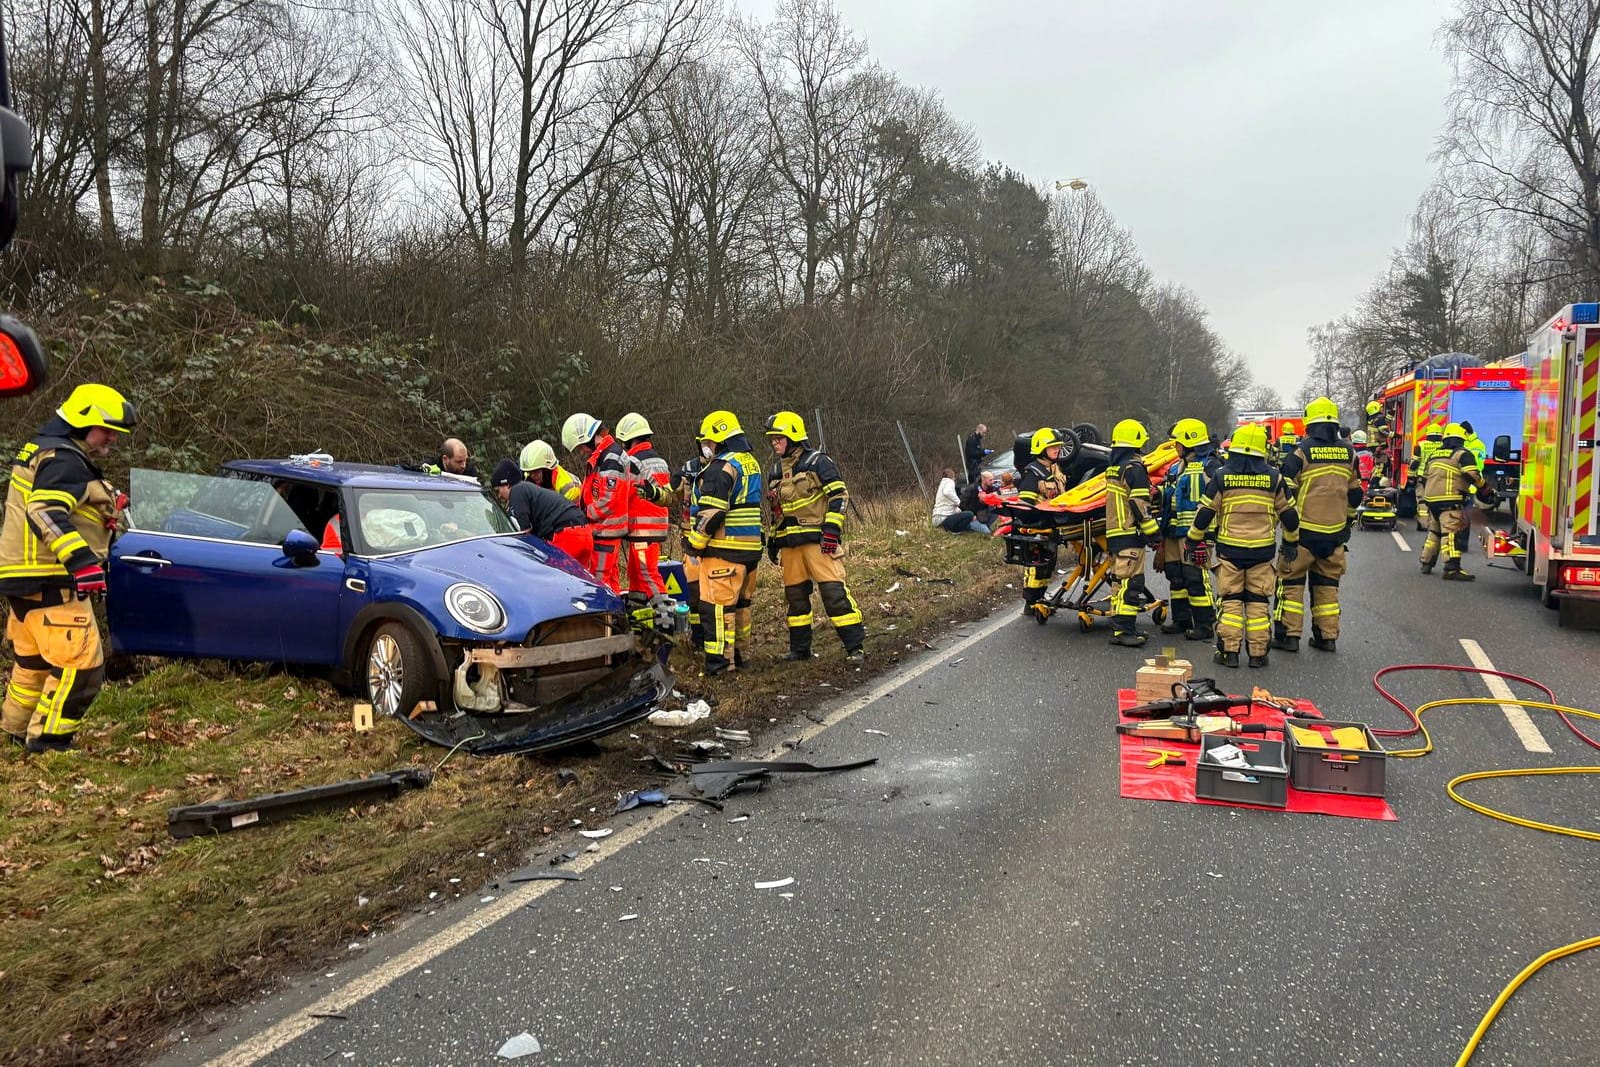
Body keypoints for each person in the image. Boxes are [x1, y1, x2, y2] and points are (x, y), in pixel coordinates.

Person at [1, 384, 135, 752]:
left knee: (34, 666)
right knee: (82, 666)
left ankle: (15, 734)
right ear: (80, 422)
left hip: (22, 577)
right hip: (52, 578)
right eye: (107, 430)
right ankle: (49, 742)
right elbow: (44, 511)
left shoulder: (45, 450)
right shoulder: (64, 459)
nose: (113, 439)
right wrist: (82, 561)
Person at [1184, 423, 1299, 669]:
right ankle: (1258, 655)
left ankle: (1230, 652)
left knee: (1231, 600)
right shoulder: (1274, 478)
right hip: (1262, 552)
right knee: (1258, 602)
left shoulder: (1222, 476)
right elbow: (1290, 517)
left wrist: (1193, 540)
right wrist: (1290, 544)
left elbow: (1205, 512)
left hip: (1229, 551)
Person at [764, 411, 865, 664]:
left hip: (819, 543)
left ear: (793, 436)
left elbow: (839, 496)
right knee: (795, 600)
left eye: (779, 438)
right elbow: (777, 511)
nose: (775, 443)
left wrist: (831, 531)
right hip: (790, 546)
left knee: (833, 594)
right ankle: (800, 650)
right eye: (772, 439)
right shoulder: (775, 470)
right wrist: (773, 540)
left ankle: (855, 646)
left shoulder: (818, 462)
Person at [1272, 398, 1362, 653]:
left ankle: (1289, 637)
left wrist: (1285, 530)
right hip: (1334, 536)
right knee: (1327, 588)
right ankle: (1326, 637)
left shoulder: (1300, 453)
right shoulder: (1349, 453)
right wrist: (1347, 522)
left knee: (1290, 585)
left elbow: (1285, 497)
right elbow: (1355, 494)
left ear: (1309, 424)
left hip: (1302, 535)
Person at [685, 411, 763, 676]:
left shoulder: (721, 468)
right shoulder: (750, 462)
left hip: (723, 550)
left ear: (719, 439)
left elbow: (712, 512)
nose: (705, 447)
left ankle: (720, 665)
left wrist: (694, 544)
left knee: (715, 609)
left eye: (708, 441)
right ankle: (742, 655)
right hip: (750, 549)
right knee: (741, 606)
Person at [1158, 418, 1220, 641]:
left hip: (1197, 534)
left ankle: (1204, 624)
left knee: (1195, 576)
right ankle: (1181, 619)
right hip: (1174, 532)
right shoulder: (1175, 467)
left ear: (1189, 443)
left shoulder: (1211, 465)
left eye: (1178, 444)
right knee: (1176, 575)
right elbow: (1170, 495)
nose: (1175, 447)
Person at [1103, 419, 1161, 647]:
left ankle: (1119, 629)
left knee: (1119, 584)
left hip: (1114, 535)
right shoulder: (1134, 468)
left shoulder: (1114, 468)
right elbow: (1138, 506)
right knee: (1131, 583)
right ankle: (1125, 631)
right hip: (1129, 535)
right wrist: (1154, 534)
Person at [561, 413, 630, 594]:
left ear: (589, 438)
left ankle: (602, 621)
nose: (582, 450)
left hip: (605, 530)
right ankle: (616, 617)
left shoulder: (610, 458)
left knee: (598, 583)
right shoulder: (603, 456)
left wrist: (584, 514)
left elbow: (608, 500)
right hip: (603, 529)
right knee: (611, 581)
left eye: (582, 446)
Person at [489, 459, 596, 571]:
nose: (499, 496)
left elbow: (523, 532)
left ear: (505, 484)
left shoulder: (517, 491)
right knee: (578, 580)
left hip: (567, 535)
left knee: (553, 576)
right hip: (585, 532)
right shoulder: (529, 489)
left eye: (498, 490)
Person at [1419, 423, 1490, 581]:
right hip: (1450, 500)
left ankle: (1427, 562)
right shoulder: (1463, 454)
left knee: (1435, 532)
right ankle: (1452, 568)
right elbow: (1471, 474)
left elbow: (1424, 476)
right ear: (1462, 438)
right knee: (1451, 533)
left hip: (1431, 499)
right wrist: (1485, 488)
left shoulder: (1435, 454)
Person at [616, 413, 671, 598]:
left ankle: (665, 615)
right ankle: (640, 614)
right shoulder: (660, 461)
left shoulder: (633, 463)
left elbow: (625, 494)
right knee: (636, 572)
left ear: (628, 441)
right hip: (657, 527)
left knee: (646, 573)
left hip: (642, 529)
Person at [1016, 430, 1069, 618]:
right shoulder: (1033, 472)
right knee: (1036, 567)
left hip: (1051, 526)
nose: (1057, 450)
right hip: (1037, 527)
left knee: (1048, 564)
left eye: (1058, 447)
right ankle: (1031, 603)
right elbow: (1025, 503)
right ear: (1041, 449)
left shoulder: (1056, 470)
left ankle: (1040, 600)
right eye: (1053, 447)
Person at [672, 455, 707, 650]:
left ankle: (712, 636)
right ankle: (698, 638)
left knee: (712, 592)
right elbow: (672, 492)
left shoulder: (725, 466)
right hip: (690, 537)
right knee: (693, 591)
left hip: (715, 537)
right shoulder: (689, 468)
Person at [931, 469, 990, 534]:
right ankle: (956, 531)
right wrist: (958, 501)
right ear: (953, 477)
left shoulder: (942, 485)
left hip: (937, 518)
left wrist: (959, 510)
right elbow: (947, 492)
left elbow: (950, 505)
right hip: (943, 519)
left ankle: (960, 530)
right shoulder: (950, 482)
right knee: (969, 514)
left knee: (968, 517)